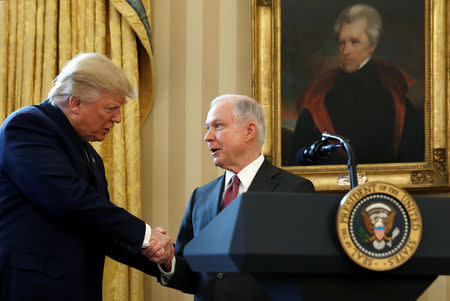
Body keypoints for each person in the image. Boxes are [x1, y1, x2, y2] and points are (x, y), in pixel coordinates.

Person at [0, 53, 174, 300]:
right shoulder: (27, 127)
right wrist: (146, 236)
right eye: (111, 108)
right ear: (75, 103)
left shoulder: (89, 155)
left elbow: (101, 229)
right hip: (31, 289)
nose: (118, 118)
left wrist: (166, 262)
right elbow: (70, 200)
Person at [151, 94, 315, 300]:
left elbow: (304, 273)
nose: (207, 137)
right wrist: (168, 260)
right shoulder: (200, 197)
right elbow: (191, 275)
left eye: (218, 126)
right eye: (207, 128)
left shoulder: (294, 190)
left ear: (249, 131)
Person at [290, 4, 424, 165]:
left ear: (372, 46)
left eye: (354, 42)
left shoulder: (394, 99)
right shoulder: (319, 99)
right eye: (342, 43)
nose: (346, 51)